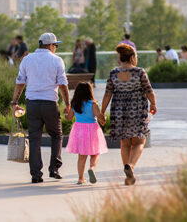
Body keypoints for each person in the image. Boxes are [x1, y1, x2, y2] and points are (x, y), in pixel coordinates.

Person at [10, 33, 70, 184]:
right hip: (50, 103)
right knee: (56, 135)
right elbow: (63, 84)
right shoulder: (57, 60)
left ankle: (36, 174)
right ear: (50, 45)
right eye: (55, 45)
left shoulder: (27, 59)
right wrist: (68, 104)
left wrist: (15, 103)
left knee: (35, 138)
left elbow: (20, 82)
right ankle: (54, 168)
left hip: (33, 104)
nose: (55, 48)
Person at [101, 44, 157, 186]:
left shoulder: (113, 73)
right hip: (137, 110)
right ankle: (130, 166)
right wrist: (153, 104)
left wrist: (101, 112)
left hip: (119, 112)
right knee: (139, 141)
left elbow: (107, 94)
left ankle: (128, 176)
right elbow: (149, 90)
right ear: (132, 57)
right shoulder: (139, 72)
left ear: (120, 58)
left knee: (125, 143)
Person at [64, 82, 108, 185]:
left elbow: (69, 118)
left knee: (82, 155)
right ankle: (92, 168)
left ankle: (80, 178)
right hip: (92, 130)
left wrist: (65, 113)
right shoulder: (93, 104)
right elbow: (99, 116)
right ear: (90, 91)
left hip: (79, 129)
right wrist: (104, 117)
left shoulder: (74, 104)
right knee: (95, 153)